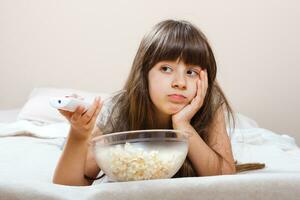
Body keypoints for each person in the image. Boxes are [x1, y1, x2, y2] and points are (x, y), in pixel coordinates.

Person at [53, 19, 261, 186]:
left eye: (191, 72)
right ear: (144, 74)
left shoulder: (210, 102)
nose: (180, 83)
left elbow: (225, 179)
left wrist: (183, 125)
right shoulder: (120, 109)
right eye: (166, 69)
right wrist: (78, 135)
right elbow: (70, 185)